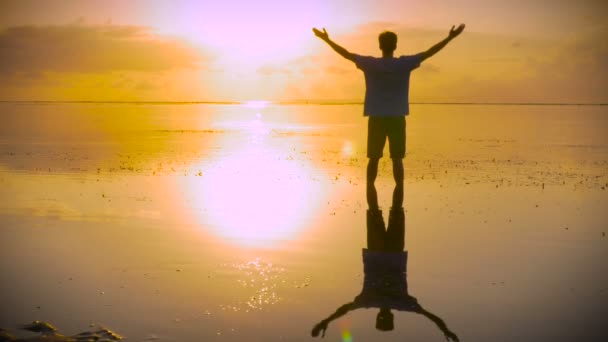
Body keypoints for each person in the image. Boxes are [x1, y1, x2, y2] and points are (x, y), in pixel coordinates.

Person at [313, 24, 465, 209]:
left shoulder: (371, 64)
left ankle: (372, 198)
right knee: (397, 159)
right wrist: (450, 38)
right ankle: (398, 197)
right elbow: (429, 52)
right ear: (395, 46)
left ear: (380, 46)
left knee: (374, 159)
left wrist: (326, 39)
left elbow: (346, 54)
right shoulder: (403, 64)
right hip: (396, 118)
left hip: (377, 117)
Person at [311, 202, 459, 340]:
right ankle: (381, 173)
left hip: (391, 252)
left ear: (392, 318)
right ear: (378, 317)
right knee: (377, 206)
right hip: (380, 252)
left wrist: (445, 330)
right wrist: (325, 321)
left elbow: (431, 316)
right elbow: (431, 317)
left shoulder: (397, 303)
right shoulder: (374, 301)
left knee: (393, 206)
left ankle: (389, 173)